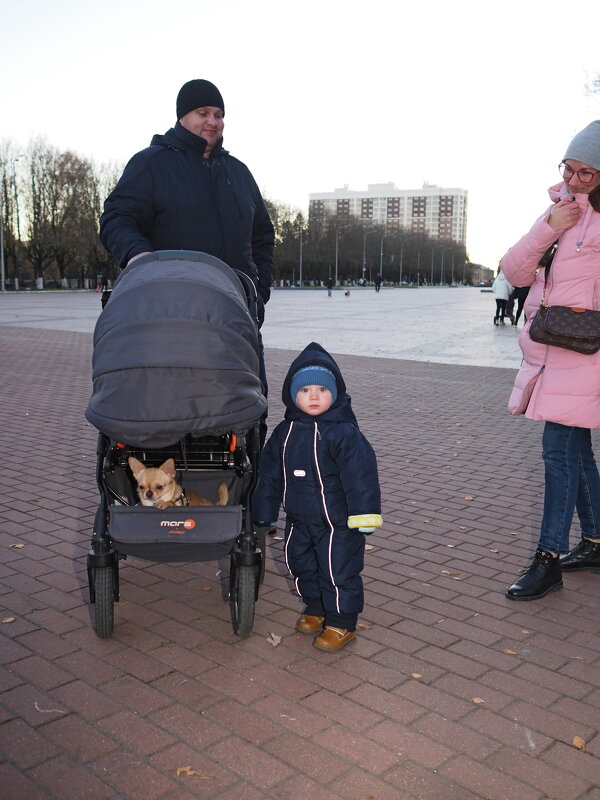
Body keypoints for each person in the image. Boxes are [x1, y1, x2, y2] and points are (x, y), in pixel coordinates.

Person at [99, 79, 274, 440]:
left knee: (244, 408)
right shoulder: (151, 164)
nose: (212, 121)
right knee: (170, 403)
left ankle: (247, 485)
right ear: (183, 117)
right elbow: (117, 218)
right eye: (203, 113)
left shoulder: (238, 173)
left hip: (235, 314)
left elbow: (262, 235)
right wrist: (138, 256)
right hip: (171, 314)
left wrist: (260, 286)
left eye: (219, 114)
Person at [502, 121, 600, 600]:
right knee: (575, 448)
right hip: (550, 347)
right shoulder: (559, 209)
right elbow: (514, 270)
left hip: (589, 352)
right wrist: (547, 228)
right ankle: (597, 540)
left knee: (558, 449)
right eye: (570, 169)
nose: (576, 180)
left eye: (588, 172)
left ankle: (549, 558)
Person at [253, 342, 382, 650]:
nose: (313, 396)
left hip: (338, 522)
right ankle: (316, 607)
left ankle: (341, 622)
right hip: (299, 519)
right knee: (300, 563)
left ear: (334, 394)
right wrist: (264, 509)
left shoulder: (343, 434)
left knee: (338, 570)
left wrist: (364, 514)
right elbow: (269, 474)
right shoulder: (285, 432)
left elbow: (361, 476)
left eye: (322, 390)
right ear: (292, 395)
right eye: (305, 390)